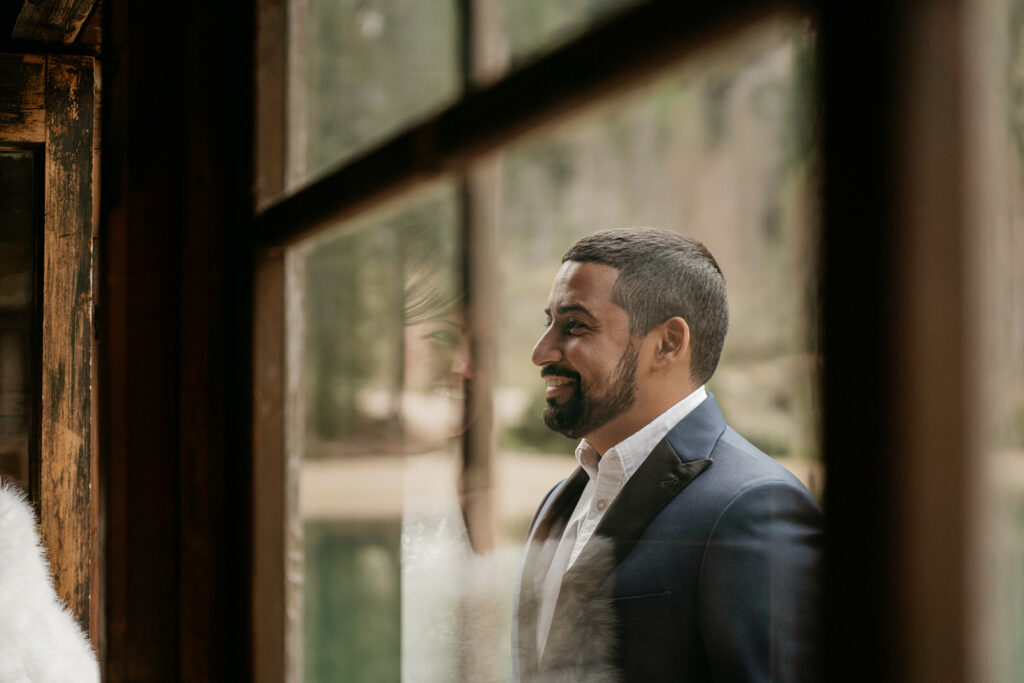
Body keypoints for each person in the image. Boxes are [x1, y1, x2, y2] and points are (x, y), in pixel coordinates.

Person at [512, 228, 821, 682]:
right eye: (549, 323)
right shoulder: (560, 500)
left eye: (575, 325)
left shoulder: (755, 507)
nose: (541, 352)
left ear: (669, 344)